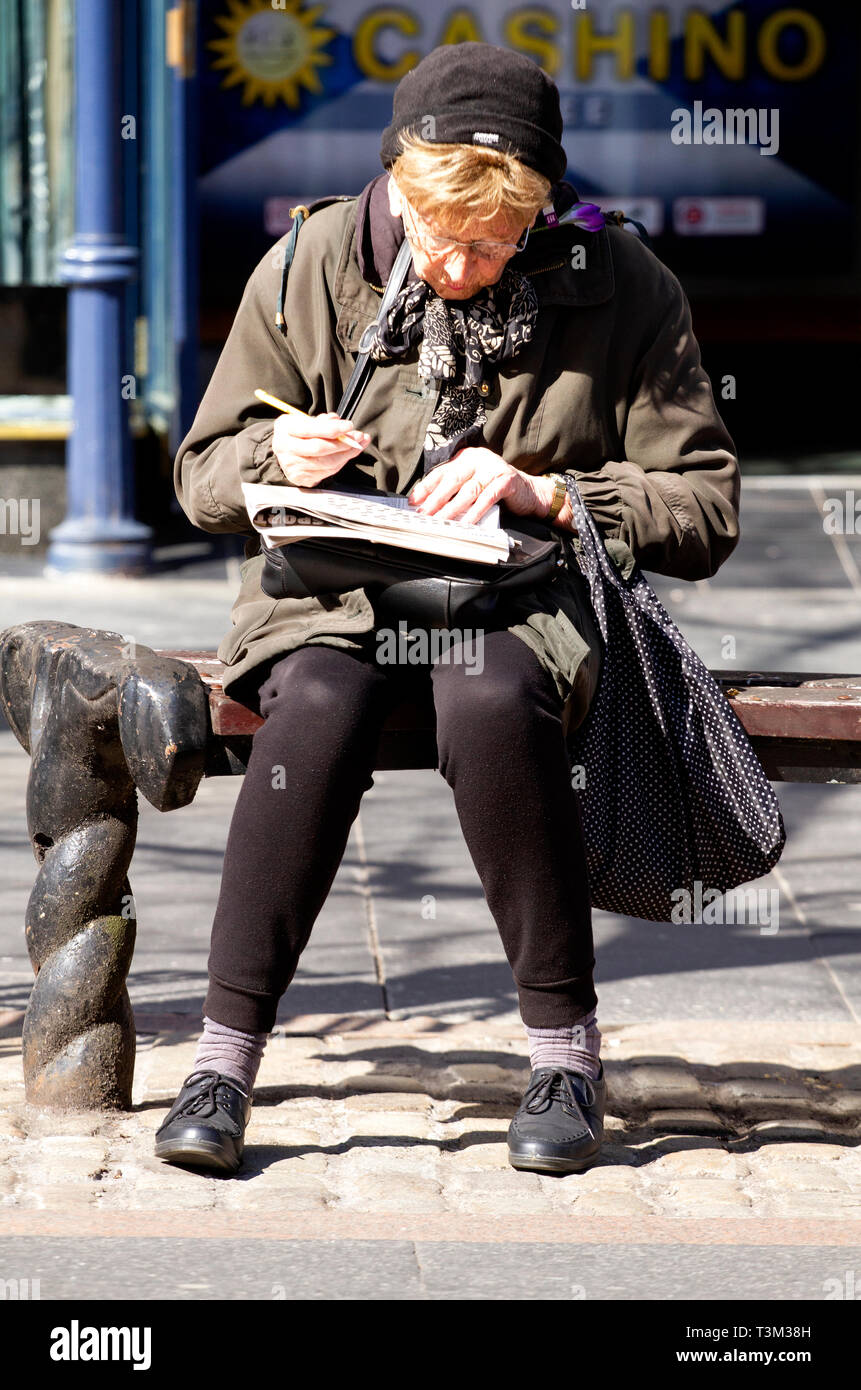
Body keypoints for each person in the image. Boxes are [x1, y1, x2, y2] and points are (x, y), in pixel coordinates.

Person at [157, 42, 739, 1177]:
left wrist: (554, 491)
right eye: (438, 236)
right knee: (317, 708)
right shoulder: (315, 258)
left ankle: (565, 1055)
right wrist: (276, 446)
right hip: (331, 592)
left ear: (540, 212)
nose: (462, 266)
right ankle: (222, 1062)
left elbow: (707, 506)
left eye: (493, 243)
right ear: (398, 188)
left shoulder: (622, 280)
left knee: (488, 699)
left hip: (521, 599)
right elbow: (200, 472)